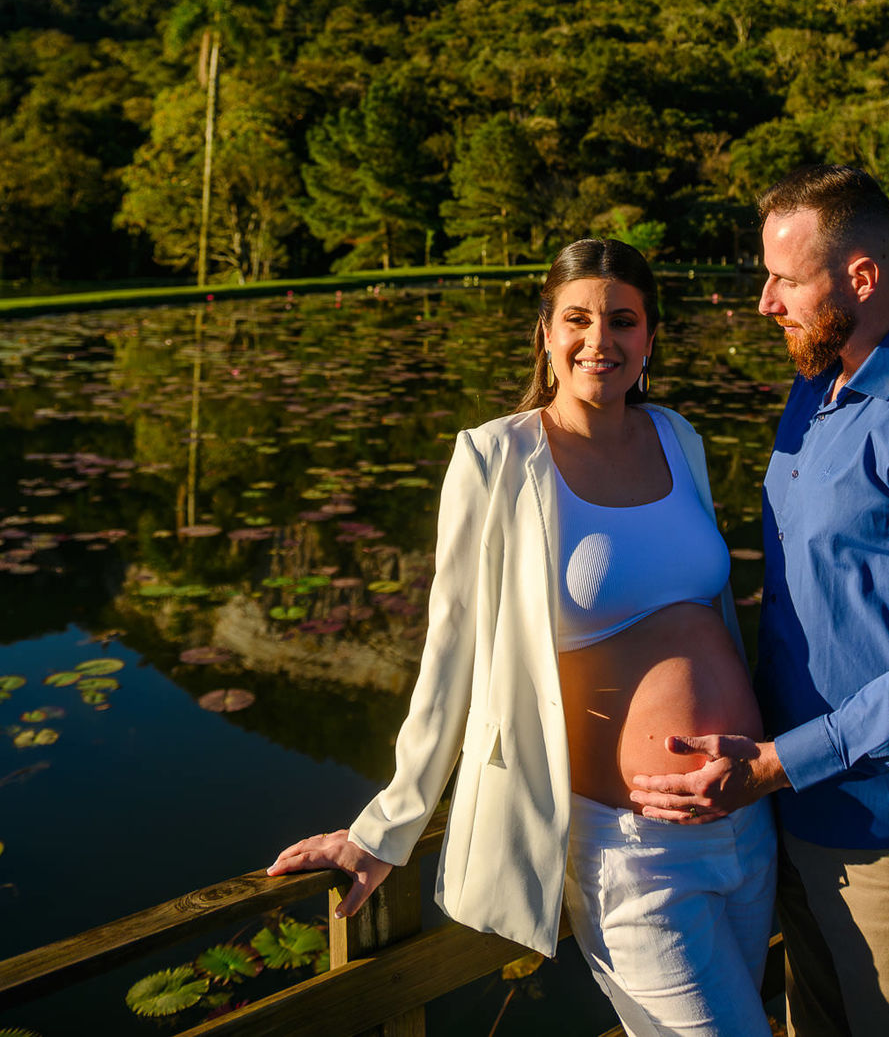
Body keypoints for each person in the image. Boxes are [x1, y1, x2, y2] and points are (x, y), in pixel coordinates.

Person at [268, 238, 776, 1037]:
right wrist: (386, 826)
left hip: (747, 821)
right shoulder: (499, 455)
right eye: (576, 318)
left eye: (622, 320)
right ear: (544, 331)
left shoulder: (681, 437)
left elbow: (710, 614)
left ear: (650, 337)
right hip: (629, 854)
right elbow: (451, 650)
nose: (598, 340)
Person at [630, 167, 889, 1037]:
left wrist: (775, 762)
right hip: (791, 822)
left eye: (786, 278)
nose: (765, 302)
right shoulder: (816, 389)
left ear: (862, 277)